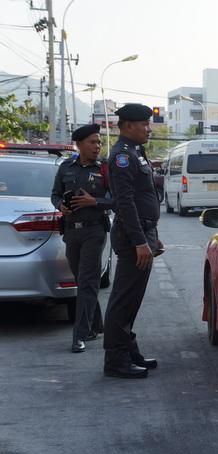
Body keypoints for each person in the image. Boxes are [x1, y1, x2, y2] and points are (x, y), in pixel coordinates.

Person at [103, 103, 163, 379]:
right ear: (128, 126)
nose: (149, 129)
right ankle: (116, 360)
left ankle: (129, 351)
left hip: (144, 233)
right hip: (132, 238)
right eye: (144, 125)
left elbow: (146, 196)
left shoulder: (137, 152)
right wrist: (140, 242)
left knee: (133, 300)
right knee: (123, 299)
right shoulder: (121, 157)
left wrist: (153, 237)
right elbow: (124, 202)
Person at [51, 124, 112, 353]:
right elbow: (55, 193)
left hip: (94, 231)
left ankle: (80, 334)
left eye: (98, 142)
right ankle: (96, 324)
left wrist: (94, 202)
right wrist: (60, 206)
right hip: (71, 231)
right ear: (79, 145)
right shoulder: (66, 166)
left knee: (87, 282)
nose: (97, 146)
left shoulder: (105, 167)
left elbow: (117, 198)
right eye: (92, 142)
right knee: (83, 281)